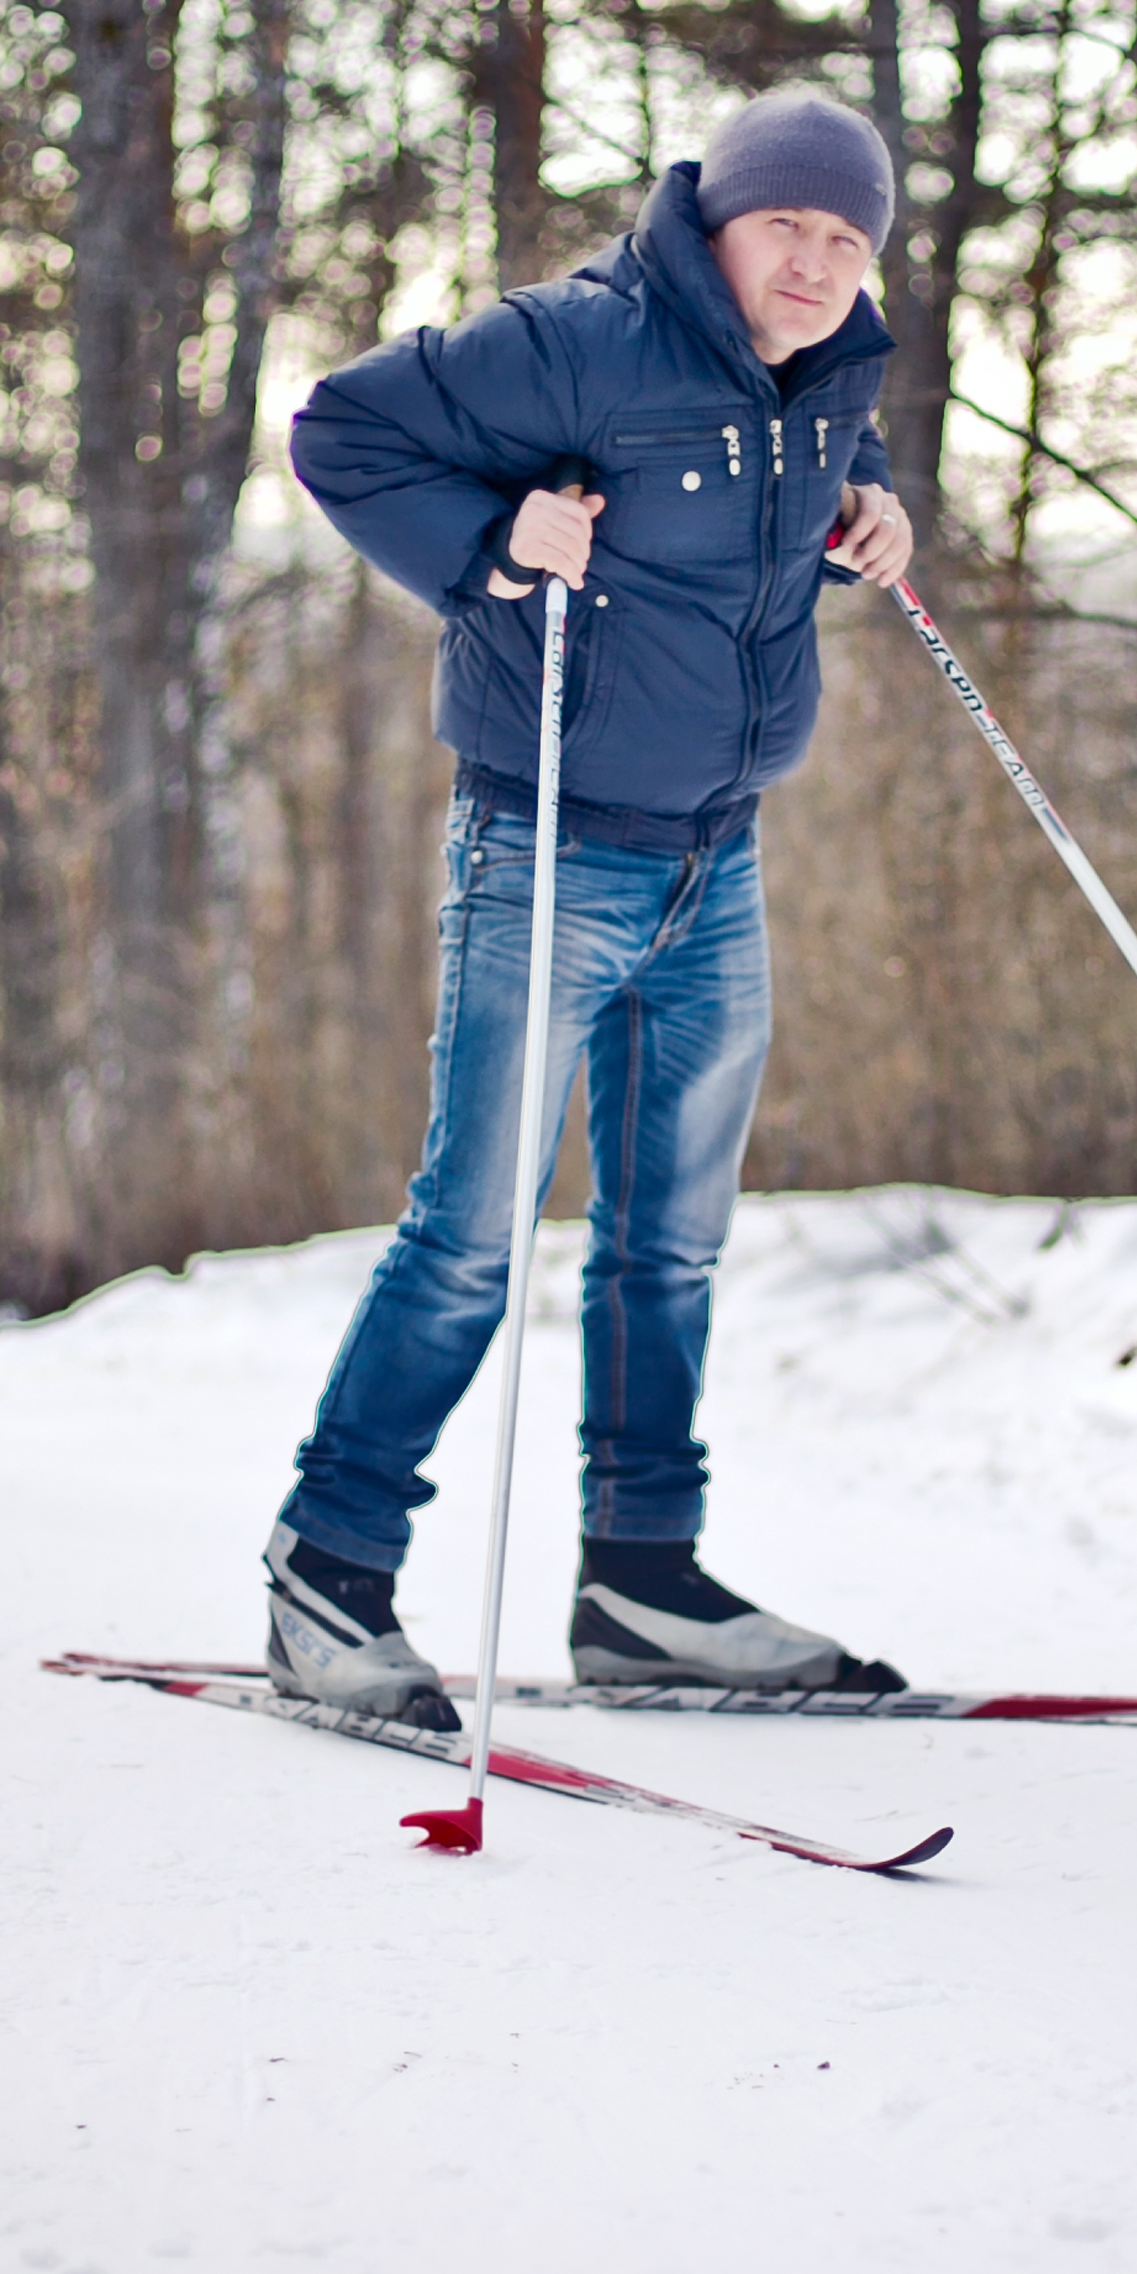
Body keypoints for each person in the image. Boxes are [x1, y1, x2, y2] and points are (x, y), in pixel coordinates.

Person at [263, 86, 917, 1726]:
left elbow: (830, 464)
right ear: (717, 218)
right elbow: (340, 429)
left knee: (667, 1249)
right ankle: (324, 1575)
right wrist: (491, 542)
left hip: (719, 858)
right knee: (473, 1235)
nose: (818, 261)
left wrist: (872, 509)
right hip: (547, 849)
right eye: (791, 226)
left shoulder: (830, 367)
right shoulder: (574, 341)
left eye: (848, 238)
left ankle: (640, 1582)